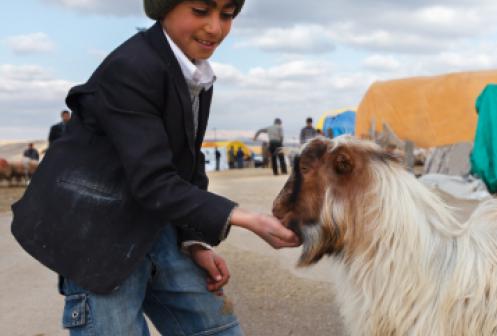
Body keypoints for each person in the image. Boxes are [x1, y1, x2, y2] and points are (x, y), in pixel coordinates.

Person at [10, 1, 300, 335]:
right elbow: (154, 180)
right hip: (95, 234)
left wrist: (193, 241)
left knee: (216, 328)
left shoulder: (192, 69)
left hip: (154, 224)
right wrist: (245, 217)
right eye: (201, 10)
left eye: (227, 14)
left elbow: (187, 162)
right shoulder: (132, 67)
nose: (215, 28)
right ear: (164, 7)